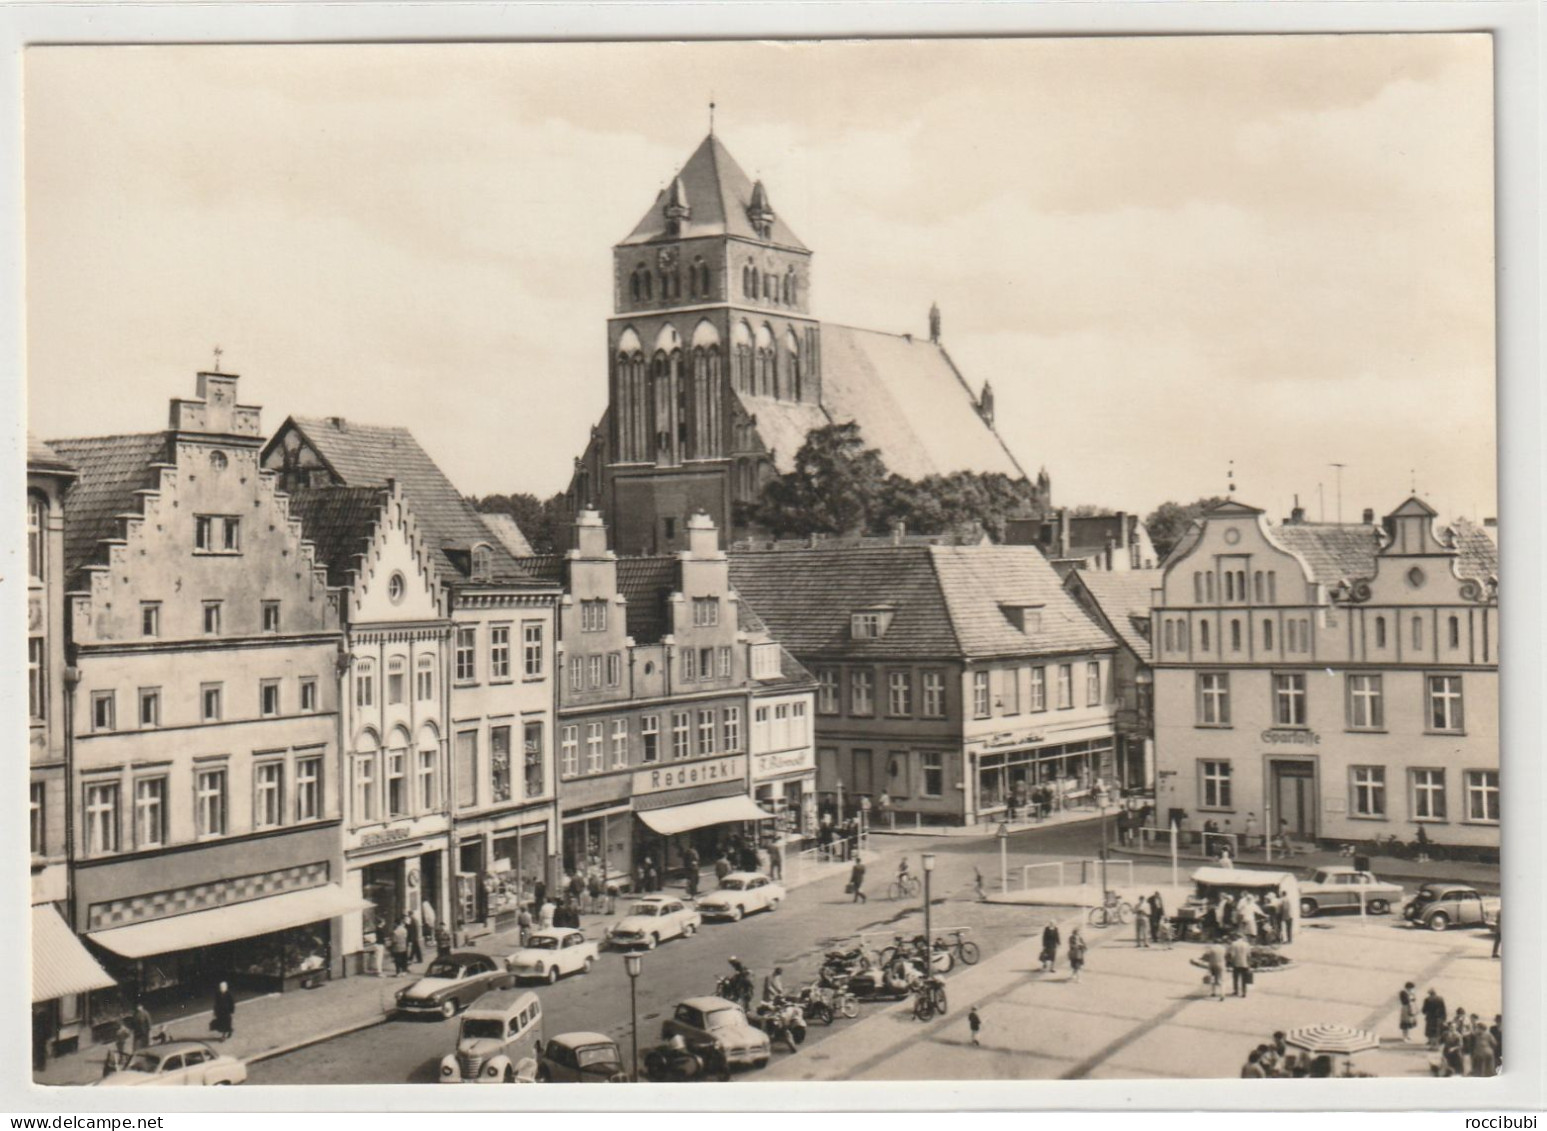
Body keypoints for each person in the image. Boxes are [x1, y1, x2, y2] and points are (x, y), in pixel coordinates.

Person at [1226, 933, 1252, 998]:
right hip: (1244, 963)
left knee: (1235, 978)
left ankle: (1236, 991)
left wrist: (1230, 961)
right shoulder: (1246, 944)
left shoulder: (1233, 944)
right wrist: (1249, 964)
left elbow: (1231, 955)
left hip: (1236, 963)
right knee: (1244, 979)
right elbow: (1249, 955)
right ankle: (1244, 992)